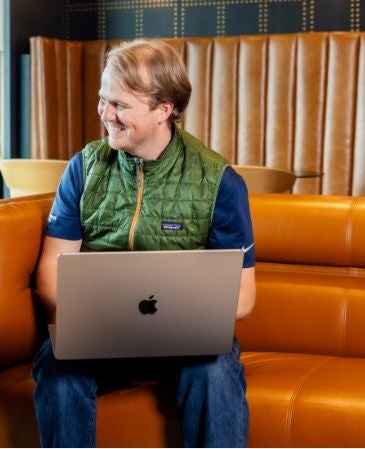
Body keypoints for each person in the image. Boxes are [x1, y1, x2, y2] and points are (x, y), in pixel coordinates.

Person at [32, 40, 256, 448]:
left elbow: (242, 297)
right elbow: (50, 272)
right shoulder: (83, 168)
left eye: (119, 104)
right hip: (98, 338)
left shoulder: (219, 182)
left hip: (187, 343)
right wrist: (88, 318)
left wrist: (177, 319)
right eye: (102, 100)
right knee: (57, 368)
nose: (105, 114)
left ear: (164, 109)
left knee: (215, 372)